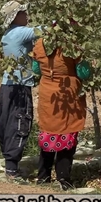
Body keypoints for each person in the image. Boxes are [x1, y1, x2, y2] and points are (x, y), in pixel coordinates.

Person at [31, 22, 88, 191]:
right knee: (66, 132)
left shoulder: (40, 43)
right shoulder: (72, 45)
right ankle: (64, 178)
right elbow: (83, 72)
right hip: (67, 94)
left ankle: (43, 176)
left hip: (48, 94)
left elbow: (36, 68)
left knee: (48, 133)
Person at [0, 1, 40, 181]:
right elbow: (44, 30)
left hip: (7, 85)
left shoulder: (8, 34)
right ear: (15, 16)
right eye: (23, 12)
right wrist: (64, 20)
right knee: (20, 122)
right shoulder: (20, 32)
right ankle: (12, 171)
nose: (26, 15)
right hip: (19, 85)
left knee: (6, 123)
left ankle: (10, 167)